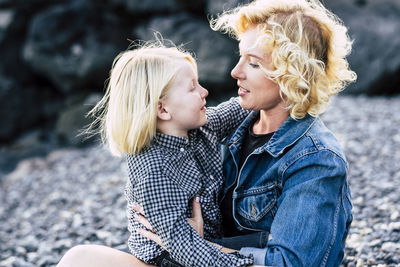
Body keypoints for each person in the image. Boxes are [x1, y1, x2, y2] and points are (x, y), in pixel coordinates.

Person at [58, 0, 356, 265]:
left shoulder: (316, 160)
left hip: (208, 258)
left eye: (253, 63)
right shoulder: (228, 124)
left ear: (292, 74)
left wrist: (199, 246)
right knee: (79, 258)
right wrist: (180, 238)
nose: (235, 72)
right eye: (240, 57)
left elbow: (293, 263)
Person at [58, 42, 257, 267]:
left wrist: (279, 86)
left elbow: (239, 109)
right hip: (169, 257)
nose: (205, 92)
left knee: (273, 244)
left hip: (205, 242)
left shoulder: (200, 127)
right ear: (162, 109)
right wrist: (242, 265)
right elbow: (181, 245)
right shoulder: (154, 168)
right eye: (192, 88)